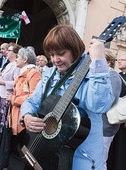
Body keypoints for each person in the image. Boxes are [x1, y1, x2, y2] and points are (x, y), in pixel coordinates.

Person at [11, 24, 117, 170]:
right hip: (45, 151)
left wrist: (99, 61)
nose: (55, 60)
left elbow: (99, 106)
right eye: (51, 55)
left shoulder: (95, 74)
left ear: (74, 50)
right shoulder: (49, 74)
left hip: (83, 158)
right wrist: (27, 116)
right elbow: (32, 101)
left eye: (60, 53)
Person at [0, 46, 41, 170]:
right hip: (15, 118)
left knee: (21, 151)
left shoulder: (34, 73)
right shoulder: (24, 73)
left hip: (22, 121)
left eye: (18, 57)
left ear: (25, 59)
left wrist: (13, 99)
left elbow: (34, 98)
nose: (16, 59)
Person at [102, 49, 122, 170]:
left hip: (106, 126)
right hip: (98, 125)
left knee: (101, 159)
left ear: (108, 62)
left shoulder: (113, 75)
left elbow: (110, 100)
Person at [107, 52, 126, 170]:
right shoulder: (117, 75)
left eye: (123, 59)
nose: (119, 61)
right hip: (114, 119)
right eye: (118, 59)